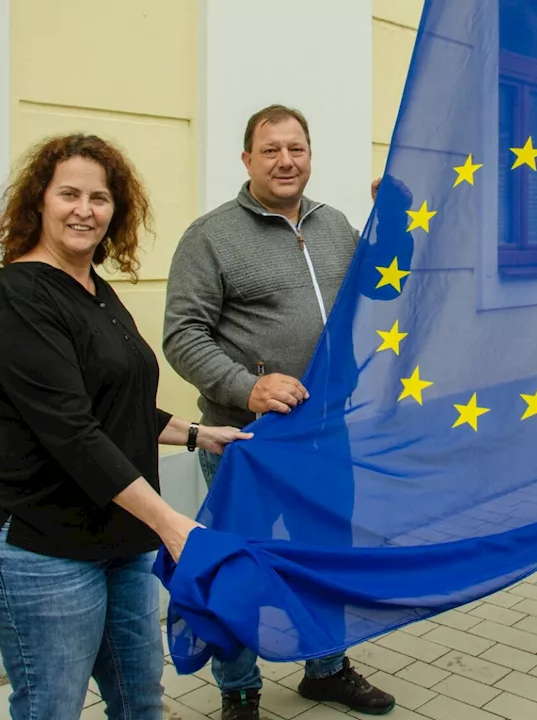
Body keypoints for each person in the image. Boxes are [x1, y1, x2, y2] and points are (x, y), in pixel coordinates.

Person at [0, 133, 252, 720]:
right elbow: (72, 431)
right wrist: (172, 524)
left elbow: (114, 407)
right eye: (69, 194)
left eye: (100, 197)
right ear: (39, 201)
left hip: (119, 534)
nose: (84, 210)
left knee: (141, 700)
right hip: (37, 542)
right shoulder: (20, 297)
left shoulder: (93, 289)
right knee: (52, 706)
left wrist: (198, 434)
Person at [162, 105, 397, 718]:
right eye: (270, 150)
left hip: (328, 433)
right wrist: (247, 389)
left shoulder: (336, 224)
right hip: (250, 443)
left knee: (325, 553)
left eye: (296, 148)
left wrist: (392, 224)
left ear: (310, 155)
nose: (285, 160)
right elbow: (183, 335)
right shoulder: (210, 236)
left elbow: (382, 288)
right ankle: (239, 689)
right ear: (247, 160)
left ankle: (326, 668)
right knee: (241, 563)